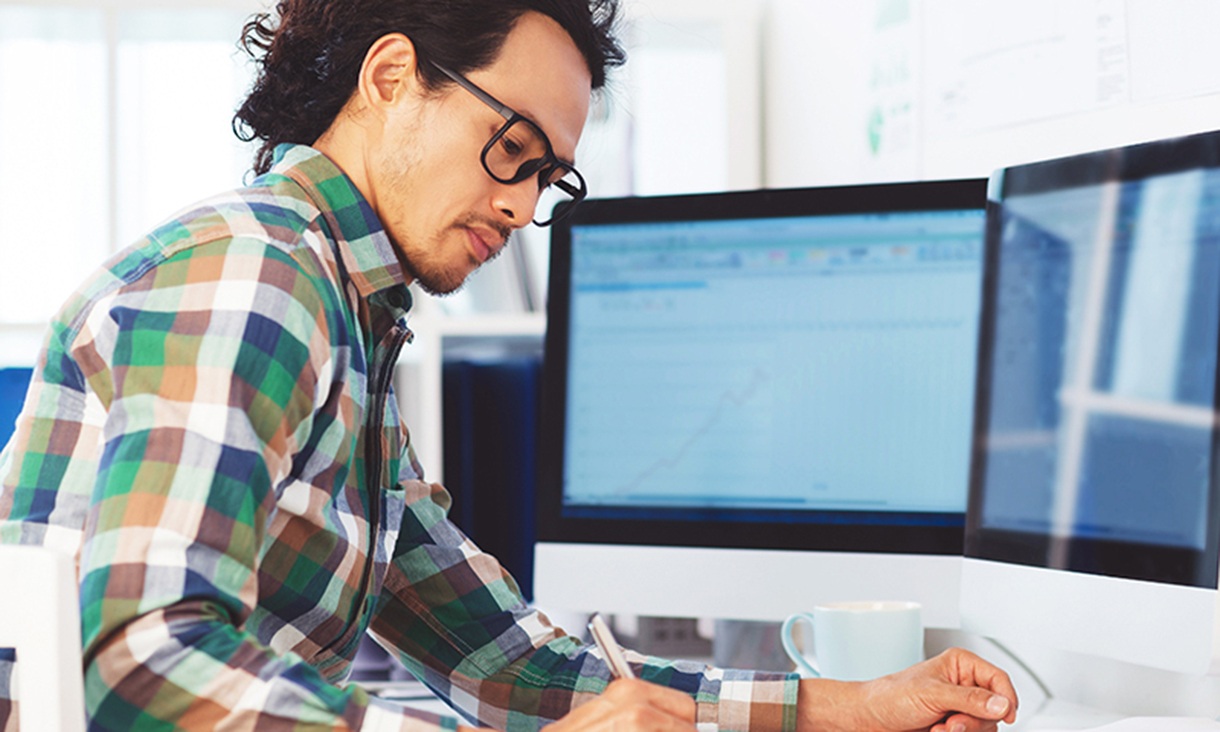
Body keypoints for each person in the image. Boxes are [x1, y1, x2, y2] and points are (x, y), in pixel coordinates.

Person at [0, 1, 1019, 730]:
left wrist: (843, 707)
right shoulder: (254, 276)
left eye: (547, 177)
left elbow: (502, 660)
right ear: (391, 77)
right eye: (511, 148)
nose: (523, 208)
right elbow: (137, 671)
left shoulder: (350, 320)